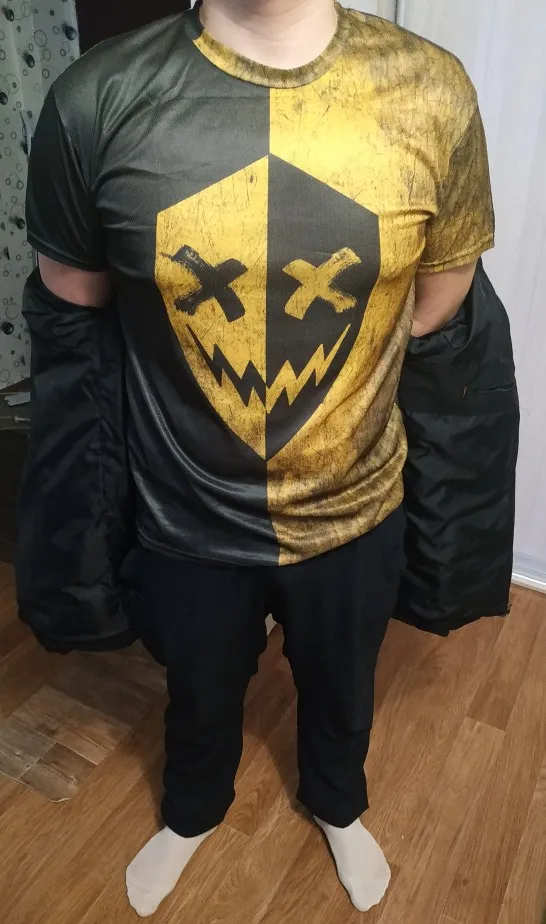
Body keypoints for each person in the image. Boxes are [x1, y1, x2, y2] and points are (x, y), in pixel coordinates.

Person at [25, 0, 495, 916]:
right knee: (197, 687)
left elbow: (442, 296)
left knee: (343, 683)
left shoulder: (432, 90)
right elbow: (74, 302)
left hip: (355, 499)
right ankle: (193, 808)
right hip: (181, 509)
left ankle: (338, 801)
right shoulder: (97, 98)